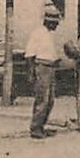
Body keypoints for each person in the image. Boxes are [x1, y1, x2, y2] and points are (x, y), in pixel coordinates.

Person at [26, 7, 64, 138]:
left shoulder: (51, 34)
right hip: (41, 67)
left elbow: (52, 53)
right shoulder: (37, 33)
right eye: (55, 23)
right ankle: (35, 128)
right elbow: (30, 55)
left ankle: (41, 126)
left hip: (51, 67)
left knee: (50, 100)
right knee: (42, 99)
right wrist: (32, 73)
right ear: (48, 22)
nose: (56, 25)